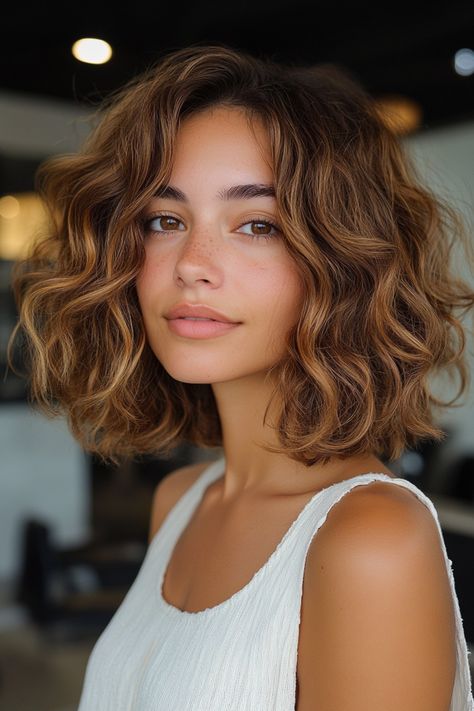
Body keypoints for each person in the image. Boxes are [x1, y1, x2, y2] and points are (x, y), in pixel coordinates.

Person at [8, 43, 474, 710]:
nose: (192, 263)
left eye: (257, 224)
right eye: (165, 220)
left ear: (343, 264)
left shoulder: (370, 540)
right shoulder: (181, 497)